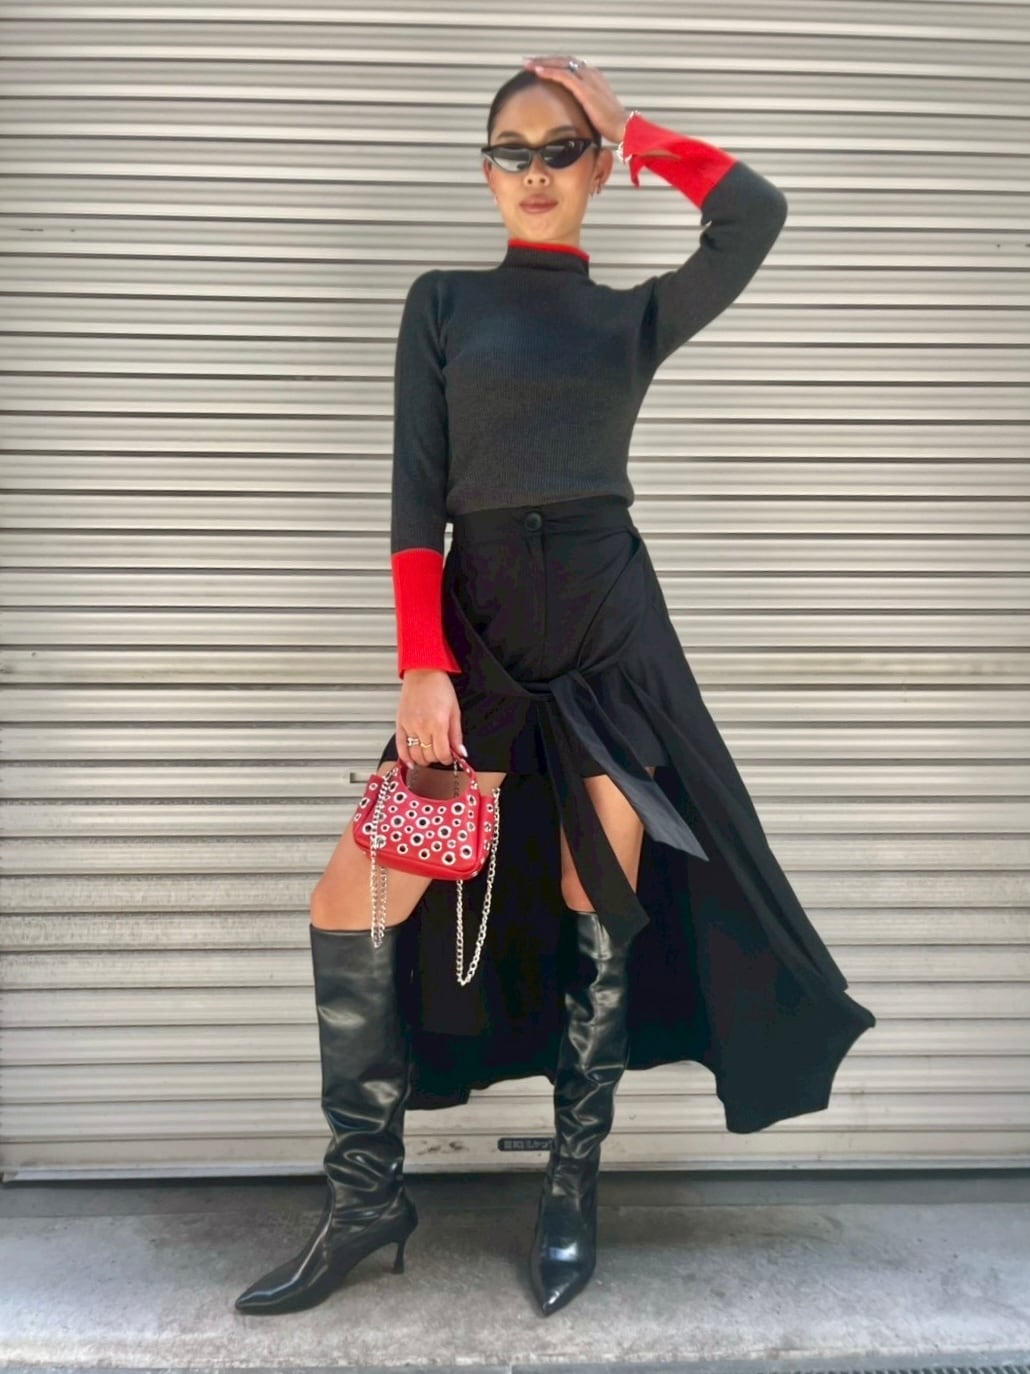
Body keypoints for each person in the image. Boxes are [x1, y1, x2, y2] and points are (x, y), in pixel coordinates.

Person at [234, 56, 876, 1321]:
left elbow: (753, 213)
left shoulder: (631, 317)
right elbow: (416, 499)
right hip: (475, 643)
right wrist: (423, 662)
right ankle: (365, 1201)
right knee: (355, 900)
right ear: (485, 171)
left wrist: (636, 126)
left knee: (599, 901)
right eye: (510, 151)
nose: (534, 171)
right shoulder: (443, 303)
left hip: (605, 643)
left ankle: (571, 1188)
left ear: (594, 168)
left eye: (561, 148)